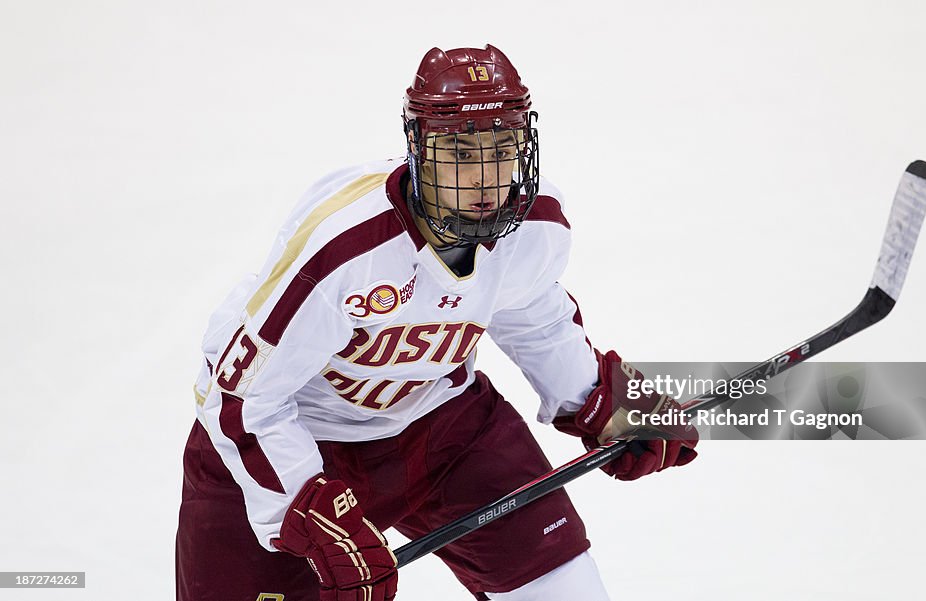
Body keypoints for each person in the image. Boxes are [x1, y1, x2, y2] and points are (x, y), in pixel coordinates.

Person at [176, 44, 698, 601]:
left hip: (444, 430)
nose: (484, 179)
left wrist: (601, 400)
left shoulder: (534, 226)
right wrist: (304, 505)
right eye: (459, 152)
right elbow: (242, 399)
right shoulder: (346, 249)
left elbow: (535, 320)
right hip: (289, 445)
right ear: (419, 149)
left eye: (501, 150)